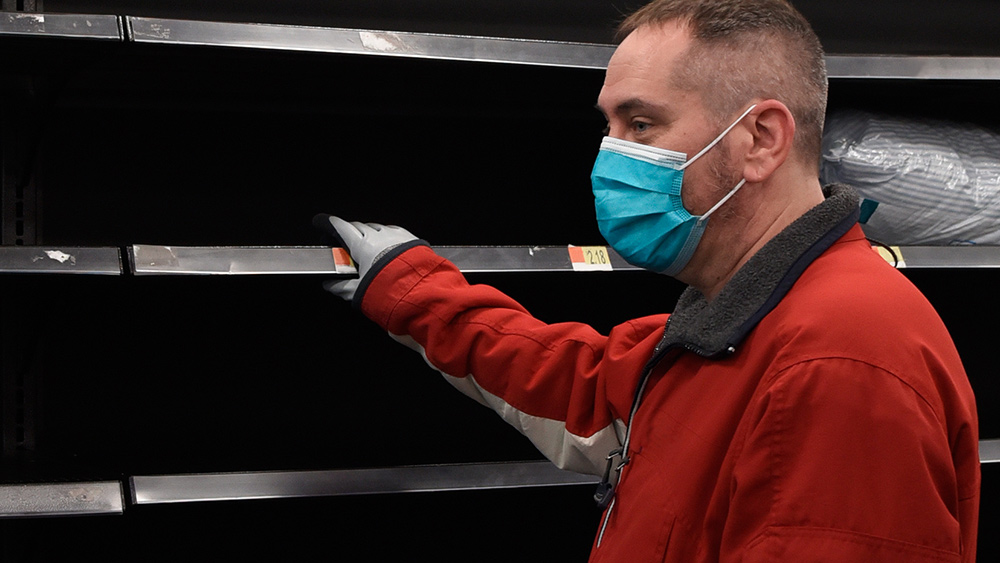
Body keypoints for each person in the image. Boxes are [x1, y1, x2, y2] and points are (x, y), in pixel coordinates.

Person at [314, 0, 980, 561]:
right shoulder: (741, 321)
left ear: (761, 138)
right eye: (608, 126)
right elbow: (577, 386)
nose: (610, 155)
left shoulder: (840, 361)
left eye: (641, 124)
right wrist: (411, 289)